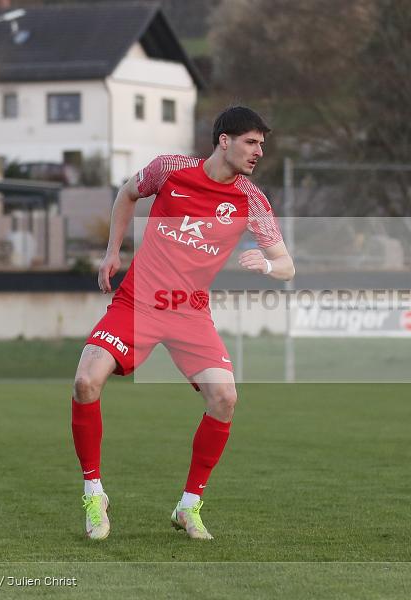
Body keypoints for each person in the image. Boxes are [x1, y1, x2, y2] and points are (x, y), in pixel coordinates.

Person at [71, 106, 294, 540]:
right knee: (85, 381)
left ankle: (189, 505)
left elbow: (287, 265)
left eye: (262, 145)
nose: (258, 152)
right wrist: (113, 251)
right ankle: (94, 493)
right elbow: (126, 193)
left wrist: (266, 265)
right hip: (138, 303)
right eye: (251, 142)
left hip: (189, 311)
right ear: (224, 141)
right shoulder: (170, 169)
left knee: (225, 398)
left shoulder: (251, 199)